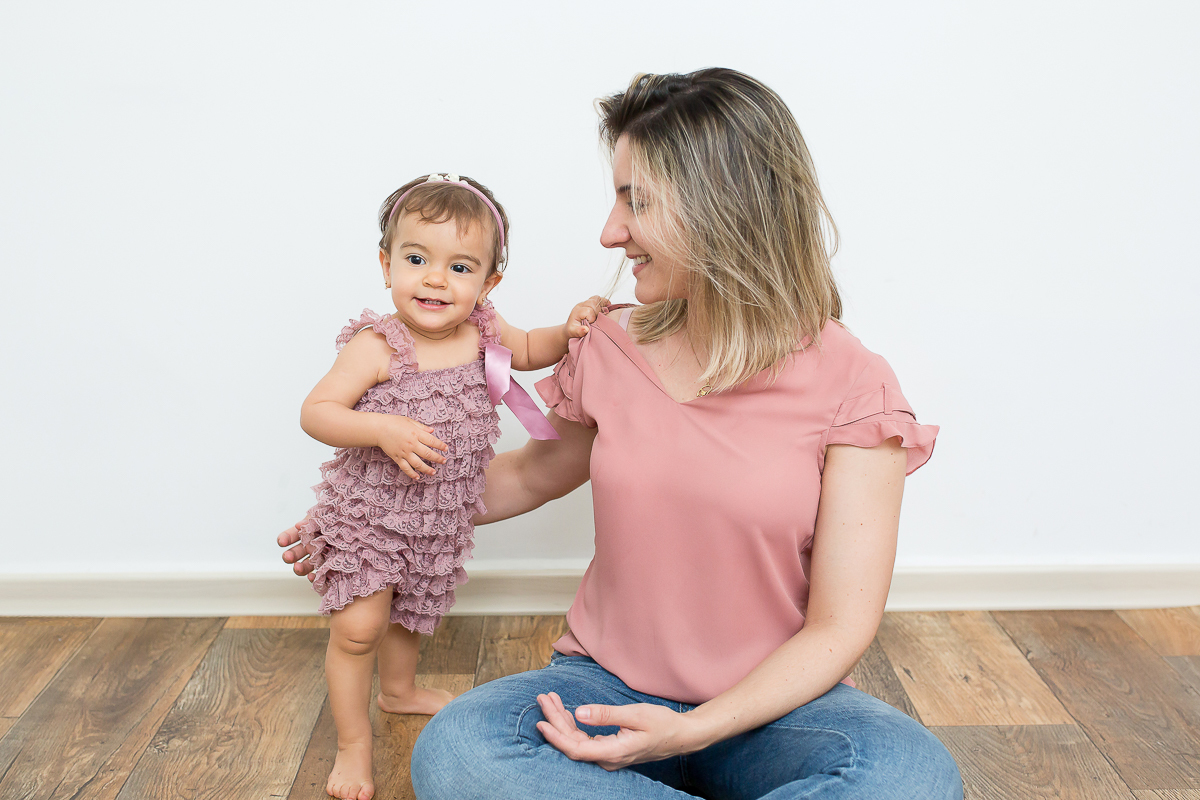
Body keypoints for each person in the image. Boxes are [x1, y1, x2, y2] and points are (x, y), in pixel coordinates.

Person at [281, 69, 963, 799]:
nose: (610, 232)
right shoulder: (610, 345)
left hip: (780, 708)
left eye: (635, 202)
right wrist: (357, 520)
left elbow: (838, 629)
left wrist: (692, 731)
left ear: (723, 208)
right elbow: (530, 474)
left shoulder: (855, 384)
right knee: (459, 753)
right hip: (601, 688)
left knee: (910, 778)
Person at [295, 172, 605, 800]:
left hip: (440, 515)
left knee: (412, 613)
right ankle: (354, 747)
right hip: (371, 515)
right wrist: (381, 428)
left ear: (488, 283)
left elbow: (532, 348)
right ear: (387, 266)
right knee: (359, 628)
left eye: (460, 267)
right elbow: (317, 411)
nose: (435, 278)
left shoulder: (485, 332)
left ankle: (399, 690)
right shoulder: (377, 343)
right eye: (416, 259)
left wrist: (571, 329)